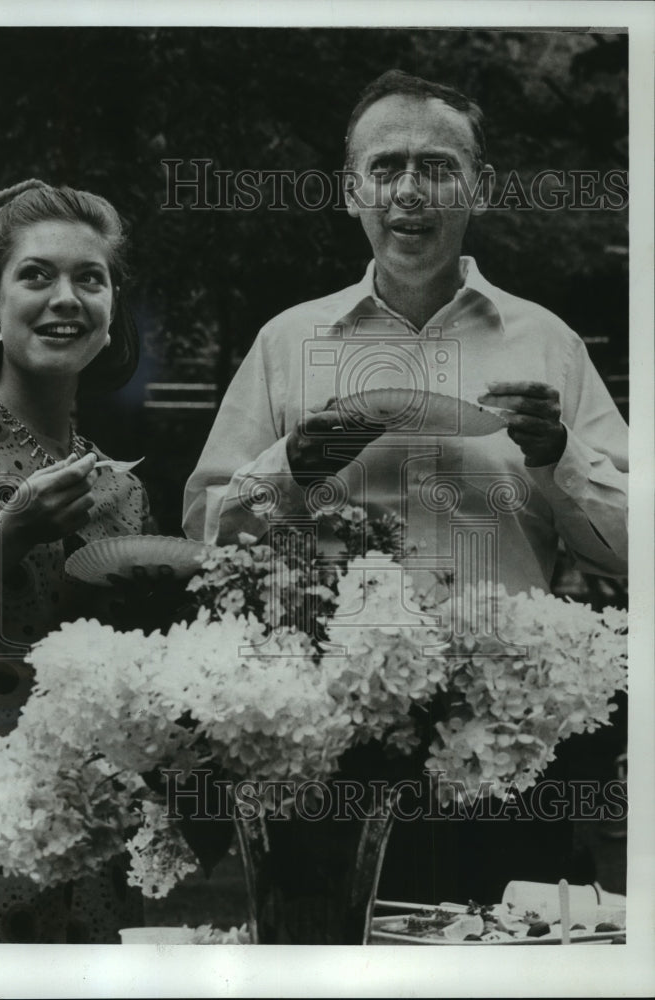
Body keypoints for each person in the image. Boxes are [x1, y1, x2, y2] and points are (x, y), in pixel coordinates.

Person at [182, 71, 628, 903]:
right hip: (323, 750)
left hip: (507, 745)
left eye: (438, 165)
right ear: (353, 189)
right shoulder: (289, 342)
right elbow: (211, 537)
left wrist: (557, 454)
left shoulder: (547, 343)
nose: (410, 192)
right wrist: (302, 456)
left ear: (480, 187)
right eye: (386, 167)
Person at [0, 179, 150, 943]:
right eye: (36, 274)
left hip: (92, 843)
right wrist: (8, 533)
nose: (66, 297)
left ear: (112, 314)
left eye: (91, 278)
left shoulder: (123, 491)